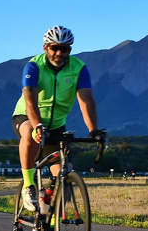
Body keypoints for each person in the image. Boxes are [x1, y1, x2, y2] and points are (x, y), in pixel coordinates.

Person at [12, 25, 105, 214]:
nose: (59, 53)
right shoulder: (34, 66)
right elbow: (30, 100)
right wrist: (37, 125)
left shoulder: (78, 68)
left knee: (65, 175)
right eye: (55, 48)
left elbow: (86, 101)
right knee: (29, 132)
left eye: (64, 49)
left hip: (56, 125)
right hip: (27, 116)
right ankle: (28, 185)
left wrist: (93, 130)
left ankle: (53, 222)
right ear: (45, 47)